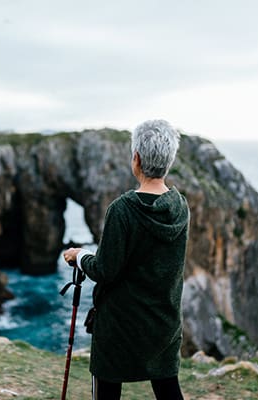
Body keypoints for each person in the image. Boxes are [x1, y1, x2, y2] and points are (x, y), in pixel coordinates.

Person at [63, 119, 189, 400]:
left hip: (119, 328)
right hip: (163, 324)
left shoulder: (123, 210)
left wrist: (80, 256)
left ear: (136, 159)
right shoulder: (180, 208)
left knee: (107, 392)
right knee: (168, 391)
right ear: (169, 161)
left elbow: (106, 270)